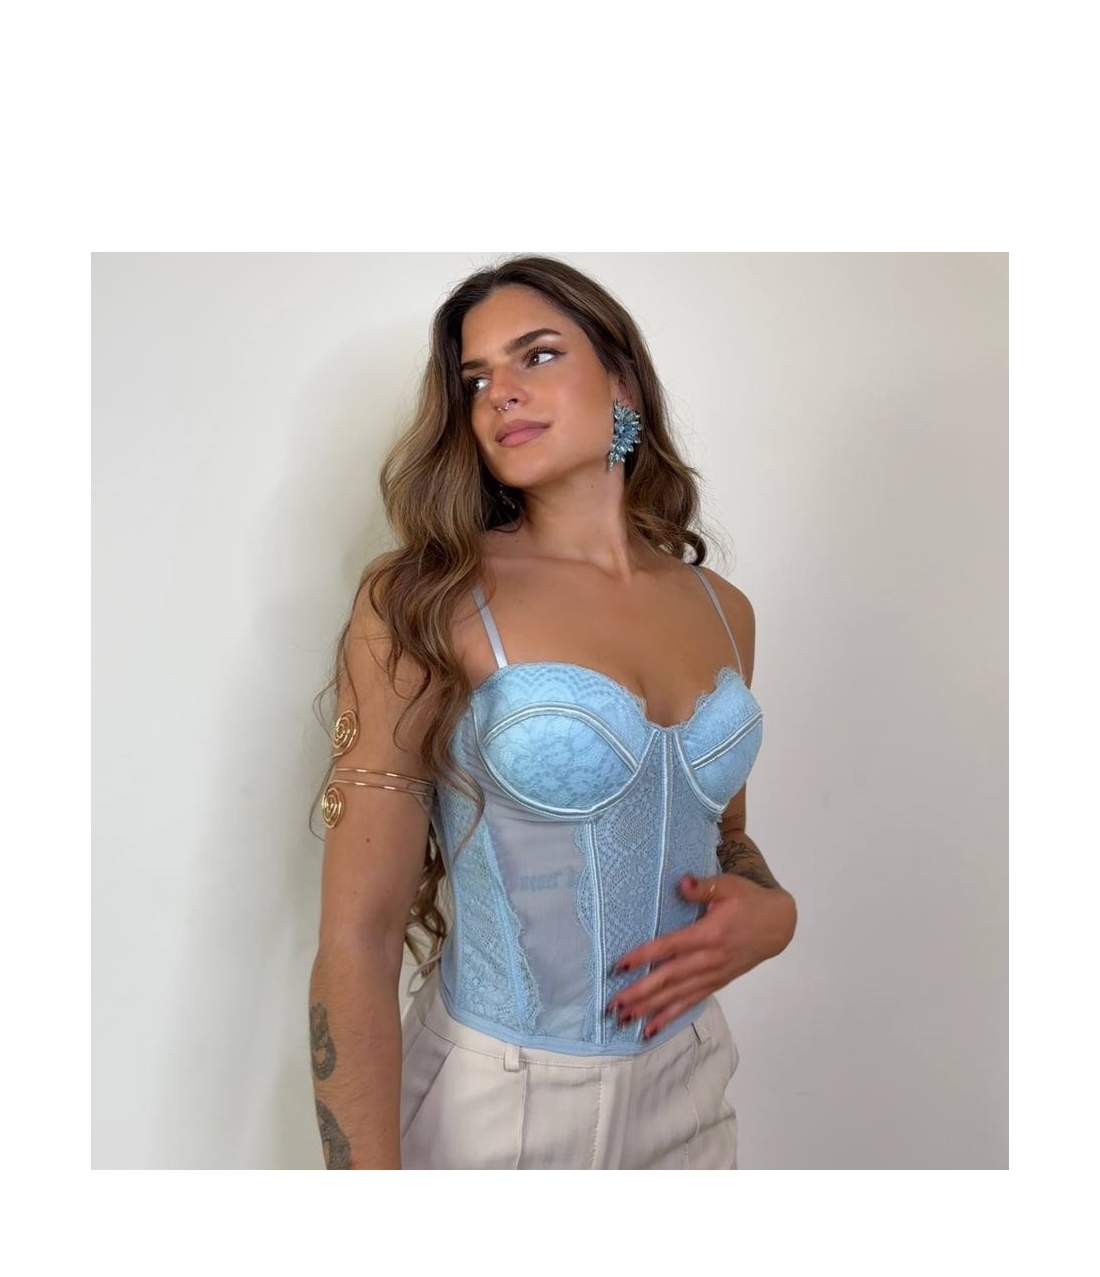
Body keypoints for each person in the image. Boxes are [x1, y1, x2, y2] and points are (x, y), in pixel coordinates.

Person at [308, 254, 798, 1169]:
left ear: (623, 383)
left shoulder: (724, 611)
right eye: (475, 380)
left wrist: (775, 912)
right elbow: (358, 935)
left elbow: (722, 837)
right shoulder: (426, 600)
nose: (500, 393)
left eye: (536, 356)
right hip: (497, 1104)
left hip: (691, 1084)